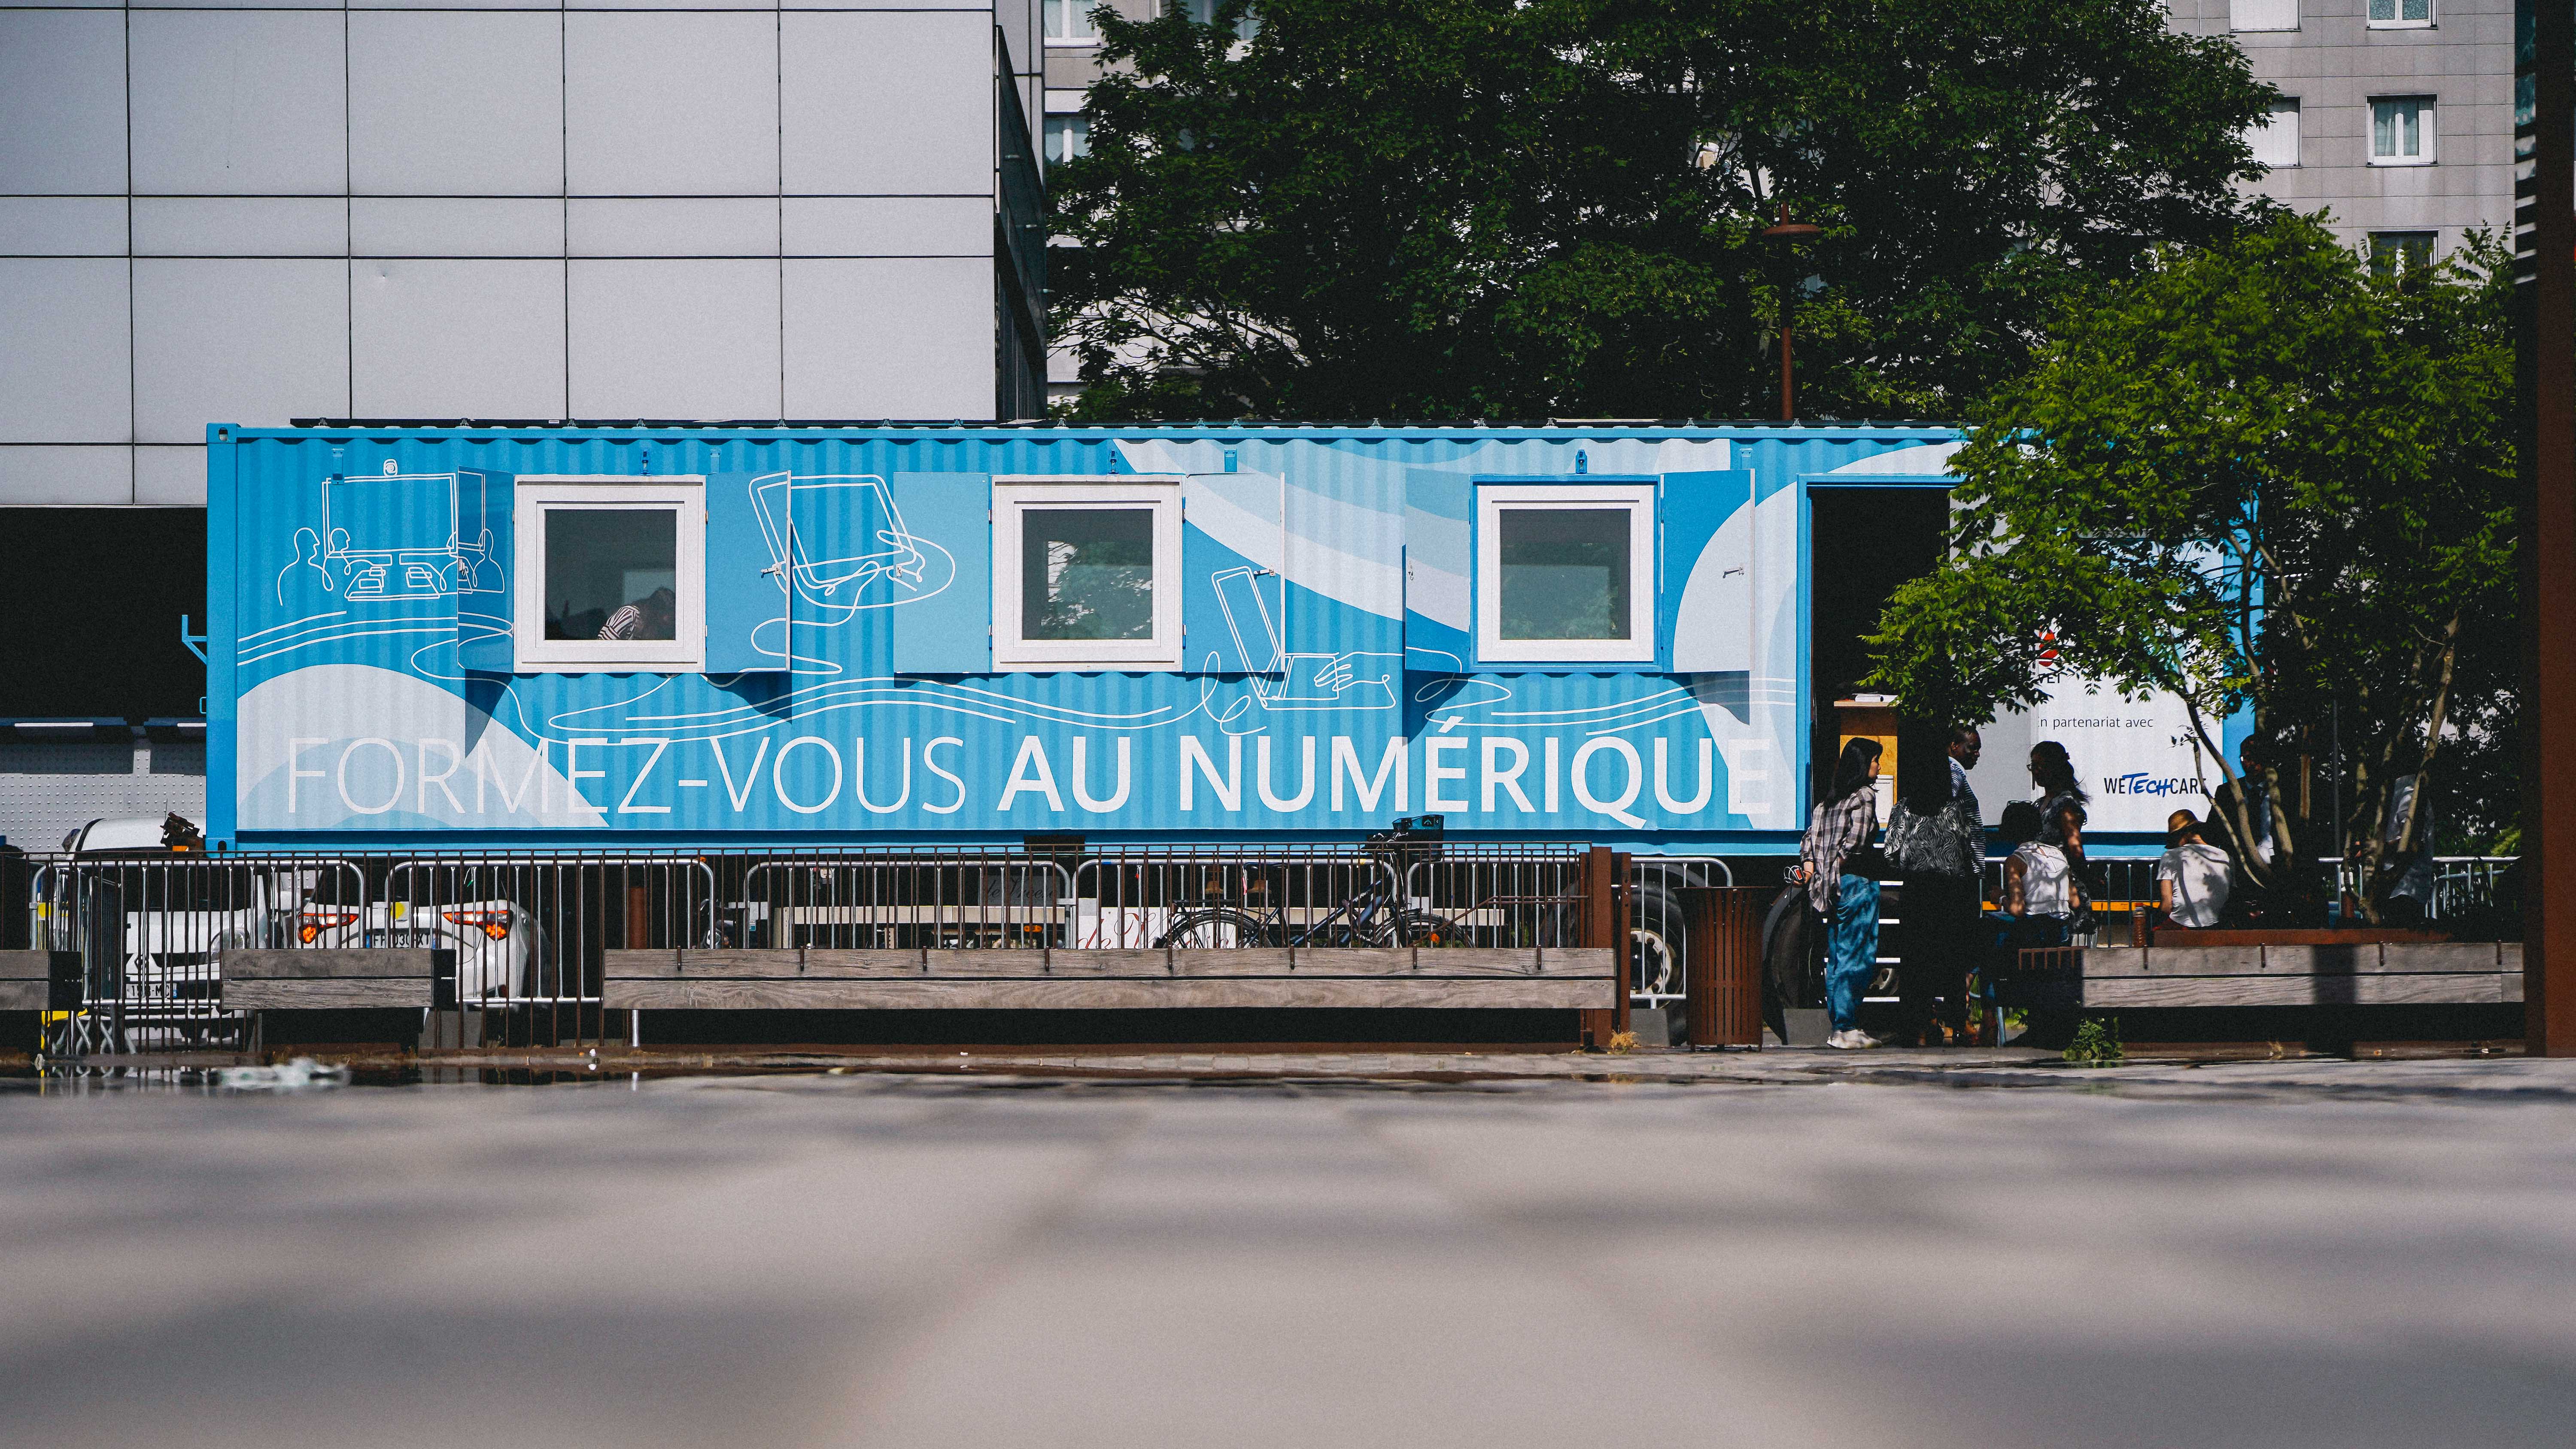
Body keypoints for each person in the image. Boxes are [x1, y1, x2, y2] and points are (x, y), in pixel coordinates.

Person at [1893, 726, 1987, 1046]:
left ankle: (1918, 1025)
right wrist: (1976, 872)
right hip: (1952, 891)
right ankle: (1958, 1025)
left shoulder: (1904, 808)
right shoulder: (1957, 809)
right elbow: (1973, 842)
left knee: (1916, 958)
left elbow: (1892, 851)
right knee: (1952, 957)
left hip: (1917, 889)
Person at [1800, 738, 1886, 1051]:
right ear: (1864, 765)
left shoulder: (1826, 803)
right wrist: (1839, 862)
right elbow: (1858, 841)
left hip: (1830, 887)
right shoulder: (1864, 797)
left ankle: (1840, 1024)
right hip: (1858, 882)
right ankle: (1847, 1026)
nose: (1880, 766)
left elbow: (1808, 841)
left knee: (1837, 956)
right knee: (1858, 955)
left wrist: (1819, 869)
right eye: (1876, 760)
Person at [2026, 739, 2098, 934]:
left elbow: (2074, 846)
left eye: (2041, 765)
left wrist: (2086, 879)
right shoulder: (2039, 804)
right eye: (2033, 765)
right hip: (2041, 882)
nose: (2036, 770)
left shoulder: (2066, 803)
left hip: (2065, 882)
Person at [2154, 809, 2234, 930]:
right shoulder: (2226, 857)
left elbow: (2167, 905)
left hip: (2181, 926)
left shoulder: (2170, 856)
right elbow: (2230, 897)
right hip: (2217, 926)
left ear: (2185, 834)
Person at [599, 586, 676, 641]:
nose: (673, 620)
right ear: (657, 612)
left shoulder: (660, 629)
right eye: (670, 615)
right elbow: (602, 646)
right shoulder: (629, 614)